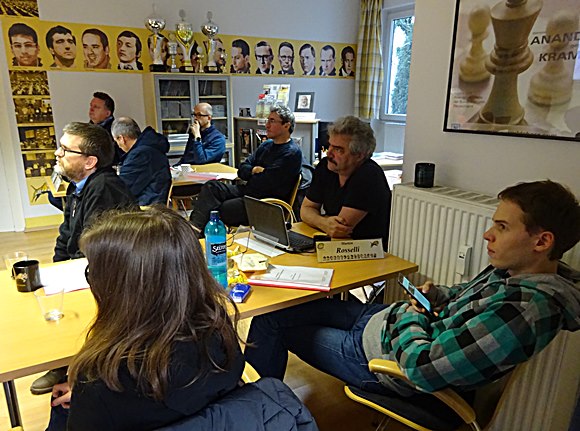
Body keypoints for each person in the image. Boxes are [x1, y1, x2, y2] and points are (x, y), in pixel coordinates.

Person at [245, 180, 580, 399]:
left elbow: (422, 369)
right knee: (280, 310)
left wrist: (410, 314)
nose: (487, 234)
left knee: (270, 323)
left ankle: (260, 412)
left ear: (542, 241)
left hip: (380, 362)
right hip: (383, 324)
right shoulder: (512, 272)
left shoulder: (522, 312)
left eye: (502, 227)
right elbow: (463, 297)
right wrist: (436, 296)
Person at [45, 207, 244, 430]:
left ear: (121, 287)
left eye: (92, 272)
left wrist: (88, 400)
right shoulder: (217, 328)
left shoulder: (104, 378)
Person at [31, 123, 136, 396]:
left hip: (113, 275)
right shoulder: (78, 187)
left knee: (62, 305)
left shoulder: (104, 188)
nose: (58, 153)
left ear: (90, 162)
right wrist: (56, 269)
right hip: (86, 267)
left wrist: (64, 276)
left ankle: (73, 362)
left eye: (65, 150)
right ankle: (64, 358)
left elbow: (93, 250)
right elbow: (66, 236)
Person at [190, 105, 302, 230]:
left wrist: (252, 174)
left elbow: (265, 183)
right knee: (212, 187)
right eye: (267, 120)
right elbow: (242, 169)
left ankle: (197, 232)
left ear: (286, 125)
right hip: (249, 192)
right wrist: (254, 170)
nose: (267, 125)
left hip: (267, 202)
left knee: (222, 207)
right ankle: (195, 229)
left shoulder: (291, 153)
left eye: (272, 121)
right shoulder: (266, 145)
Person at [301, 116, 391, 250]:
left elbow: (339, 229)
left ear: (359, 155)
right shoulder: (326, 167)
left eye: (338, 149)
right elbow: (305, 210)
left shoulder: (369, 175)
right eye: (330, 145)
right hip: (338, 247)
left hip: (365, 251)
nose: (329, 153)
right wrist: (324, 222)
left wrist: (319, 220)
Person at [111, 117, 171, 206]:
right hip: (153, 201)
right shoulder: (150, 147)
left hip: (146, 206)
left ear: (121, 138)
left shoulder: (140, 155)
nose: (118, 146)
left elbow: (123, 188)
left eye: (116, 141)